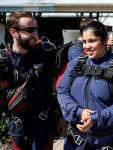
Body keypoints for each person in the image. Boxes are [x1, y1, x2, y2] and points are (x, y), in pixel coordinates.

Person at [57, 21, 113, 150]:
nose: (87, 46)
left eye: (92, 41)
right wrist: (79, 113)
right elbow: (62, 92)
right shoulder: (75, 63)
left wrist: (95, 118)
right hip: (75, 142)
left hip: (107, 142)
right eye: (84, 42)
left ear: (105, 40)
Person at [3, 11, 56, 150]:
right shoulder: (4, 60)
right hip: (17, 127)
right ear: (13, 32)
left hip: (43, 126)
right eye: (30, 30)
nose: (35, 34)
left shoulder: (47, 54)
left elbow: (62, 86)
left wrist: (62, 116)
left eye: (36, 28)